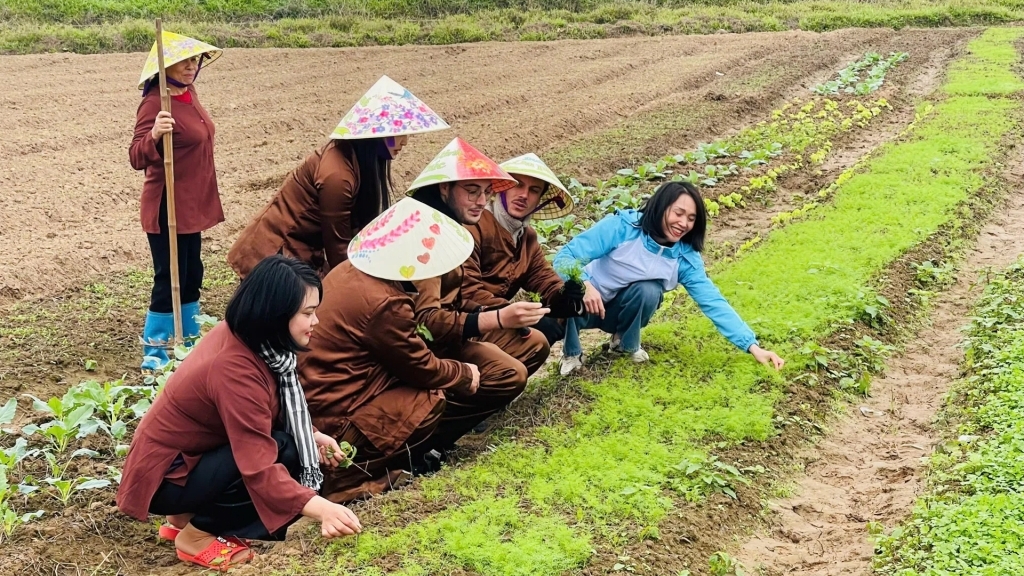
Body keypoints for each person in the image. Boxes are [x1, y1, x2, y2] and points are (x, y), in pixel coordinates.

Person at [117, 255, 362, 571]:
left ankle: (184, 519)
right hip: (166, 478)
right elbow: (258, 467)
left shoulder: (251, 341)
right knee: (284, 452)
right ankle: (195, 537)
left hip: (182, 464)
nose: (315, 321)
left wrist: (311, 436)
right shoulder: (235, 368)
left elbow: (260, 411)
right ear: (275, 313)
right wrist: (321, 508)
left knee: (287, 444)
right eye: (307, 313)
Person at [298, 198, 480, 502]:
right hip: (335, 417)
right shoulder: (386, 301)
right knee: (428, 398)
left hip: (316, 402)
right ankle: (345, 479)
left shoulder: (350, 270)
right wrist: (463, 374)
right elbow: (420, 367)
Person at [227, 75, 449, 279]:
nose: (405, 142)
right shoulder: (338, 176)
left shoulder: (357, 161)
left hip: (298, 252)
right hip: (272, 254)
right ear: (376, 134)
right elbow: (339, 248)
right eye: (400, 133)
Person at [554, 181, 785, 376]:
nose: (683, 224)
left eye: (691, 218)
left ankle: (624, 344)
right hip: (586, 306)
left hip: (618, 310)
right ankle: (572, 353)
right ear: (660, 207)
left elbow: (713, 302)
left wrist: (752, 346)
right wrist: (585, 285)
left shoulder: (684, 257)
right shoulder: (623, 227)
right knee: (573, 287)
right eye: (678, 213)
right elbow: (565, 257)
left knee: (649, 290)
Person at [407, 139, 551, 393]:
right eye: (472, 192)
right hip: (423, 342)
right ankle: (439, 402)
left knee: (535, 343)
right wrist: (497, 316)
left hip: (455, 325)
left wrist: (567, 295)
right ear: (444, 188)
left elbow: (543, 276)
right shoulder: (429, 235)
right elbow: (426, 320)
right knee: (511, 373)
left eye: (486, 192)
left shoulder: (459, 229)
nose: (481, 201)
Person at [130, 31, 224, 372]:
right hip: (166, 204)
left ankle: (189, 343)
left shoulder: (188, 93)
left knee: (191, 274)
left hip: (192, 203)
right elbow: (136, 156)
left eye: (194, 60)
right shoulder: (155, 103)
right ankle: (155, 356)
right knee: (168, 278)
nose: (191, 66)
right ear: (164, 66)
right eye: (183, 61)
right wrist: (155, 134)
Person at [461, 153, 586, 345]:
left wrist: (565, 294)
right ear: (502, 187)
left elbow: (543, 278)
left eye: (534, 190)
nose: (524, 195)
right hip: (466, 322)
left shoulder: (527, 238)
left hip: (497, 319)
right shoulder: (474, 227)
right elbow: (467, 291)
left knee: (553, 326)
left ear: (540, 200)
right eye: (518, 184)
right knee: (537, 337)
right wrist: (515, 314)